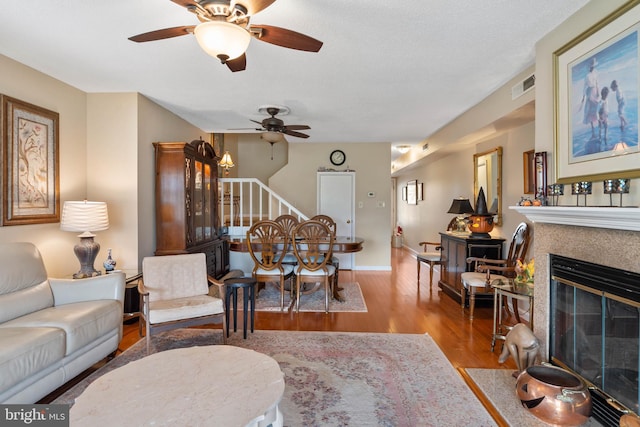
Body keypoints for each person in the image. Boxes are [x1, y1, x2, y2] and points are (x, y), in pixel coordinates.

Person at [580, 57, 599, 137]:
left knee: (596, 107)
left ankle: (598, 125)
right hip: (590, 92)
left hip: (594, 91)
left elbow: (597, 83)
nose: (592, 68)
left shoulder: (595, 73)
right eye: (591, 67)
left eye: (593, 66)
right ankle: (592, 129)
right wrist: (583, 96)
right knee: (589, 109)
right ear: (589, 67)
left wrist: (598, 92)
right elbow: (585, 86)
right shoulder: (587, 76)